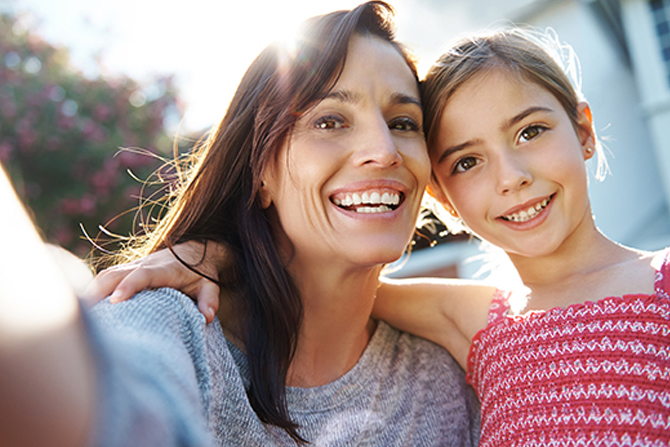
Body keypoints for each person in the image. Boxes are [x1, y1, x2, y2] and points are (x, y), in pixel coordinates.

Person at [87, 28, 670, 446]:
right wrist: (221, 256)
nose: (512, 178)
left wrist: (225, 258)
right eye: (466, 162)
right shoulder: (477, 321)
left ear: (584, 129)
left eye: (402, 124)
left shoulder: (443, 374)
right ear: (443, 191)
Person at [2, 2, 482, 446]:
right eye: (330, 121)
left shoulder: (447, 376)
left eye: (403, 122)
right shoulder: (175, 330)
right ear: (260, 174)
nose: (384, 149)